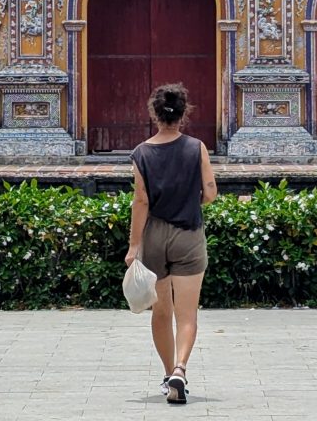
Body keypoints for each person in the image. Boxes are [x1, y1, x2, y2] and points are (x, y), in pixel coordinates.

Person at [126, 84, 217, 405]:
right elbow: (210, 193)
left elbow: (141, 201)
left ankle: (168, 375)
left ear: (154, 113)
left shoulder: (141, 153)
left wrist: (133, 246)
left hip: (154, 237)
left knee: (161, 311)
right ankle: (181, 369)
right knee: (187, 314)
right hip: (189, 233)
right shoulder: (197, 148)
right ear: (184, 113)